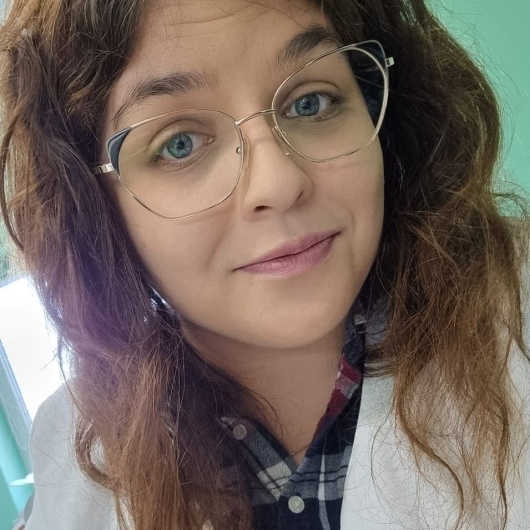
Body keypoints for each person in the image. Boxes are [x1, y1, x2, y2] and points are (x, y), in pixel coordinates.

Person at [0, 0, 528, 528]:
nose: (279, 183)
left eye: (311, 102)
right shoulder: (68, 464)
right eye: (179, 145)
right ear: (93, 207)